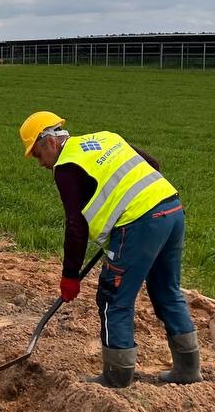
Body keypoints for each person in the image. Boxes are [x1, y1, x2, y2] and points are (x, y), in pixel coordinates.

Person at [18, 110, 201, 388]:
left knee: (113, 298)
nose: (40, 163)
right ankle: (188, 369)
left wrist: (69, 275)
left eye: (37, 155)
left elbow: (76, 226)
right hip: (171, 209)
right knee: (167, 290)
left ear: (49, 143)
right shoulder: (104, 137)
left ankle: (117, 376)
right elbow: (152, 163)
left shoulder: (66, 167)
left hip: (140, 225)